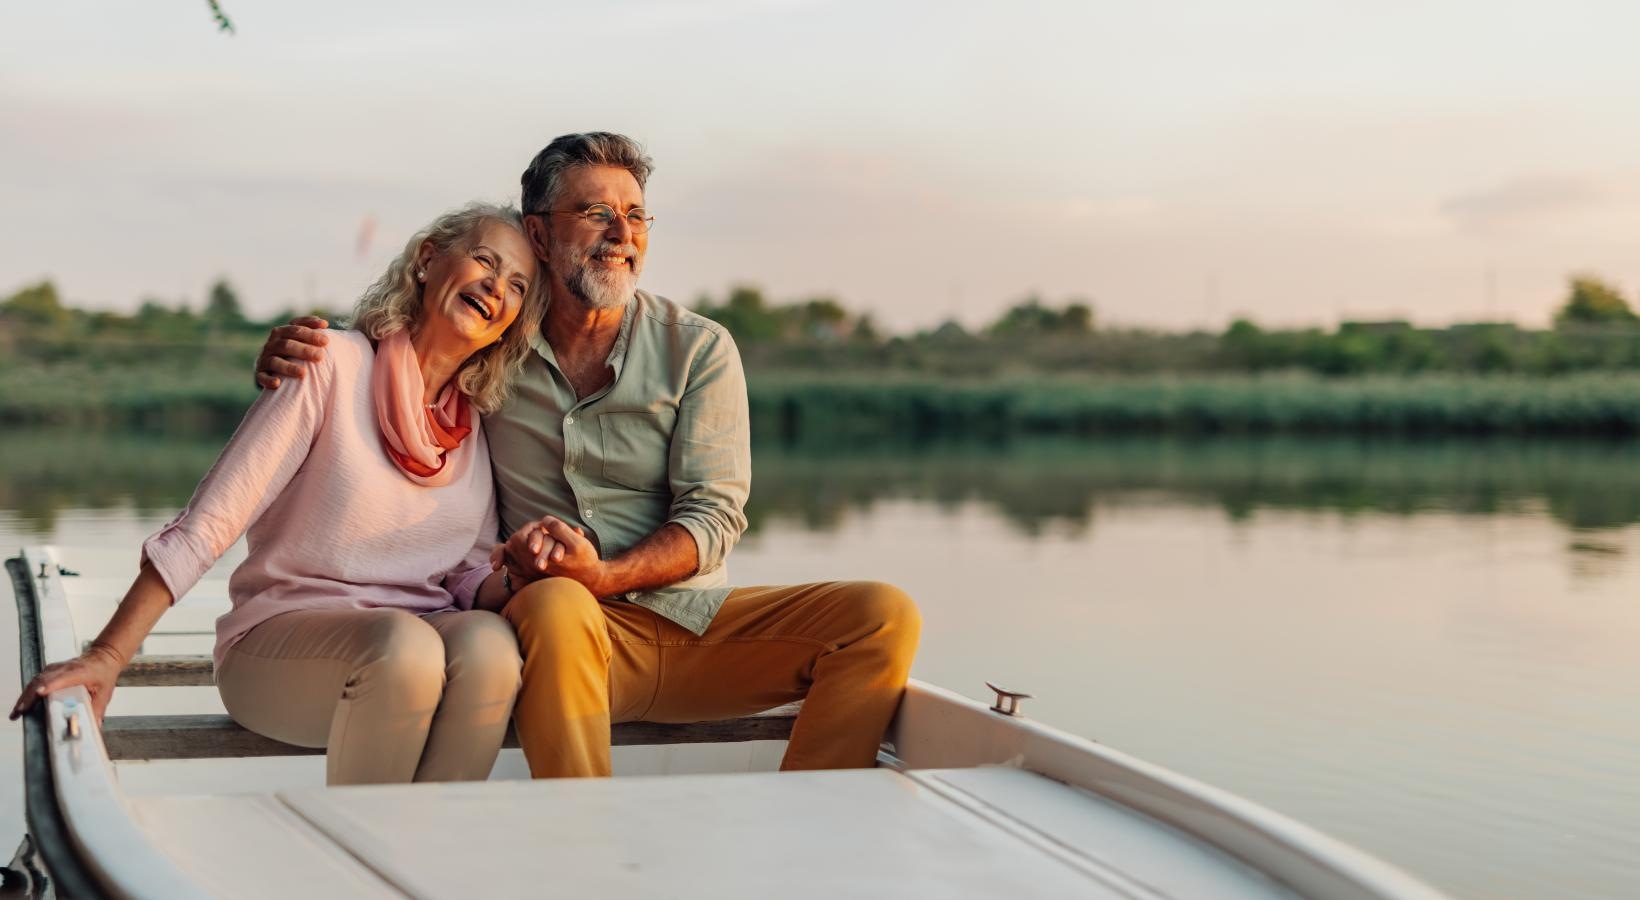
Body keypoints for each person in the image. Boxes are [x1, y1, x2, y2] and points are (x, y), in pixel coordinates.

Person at [254, 133, 922, 779]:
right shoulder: (493, 340)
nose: (622, 233)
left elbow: (714, 518)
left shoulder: (699, 348)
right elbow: (405, 346)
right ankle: (585, 839)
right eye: (596, 213)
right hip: (555, 631)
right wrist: (304, 349)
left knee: (880, 616)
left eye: (635, 216)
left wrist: (605, 574)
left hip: (692, 627)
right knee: (555, 601)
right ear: (539, 234)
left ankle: (814, 831)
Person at [12, 203, 547, 786]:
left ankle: (424, 850)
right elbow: (209, 524)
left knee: (491, 647)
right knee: (408, 649)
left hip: (414, 636)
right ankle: (364, 852)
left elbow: (468, 578)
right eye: (484, 261)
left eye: (517, 285)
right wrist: (109, 656)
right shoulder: (327, 363)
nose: (497, 287)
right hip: (282, 645)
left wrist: (521, 570)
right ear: (427, 261)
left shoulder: (473, 425)